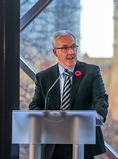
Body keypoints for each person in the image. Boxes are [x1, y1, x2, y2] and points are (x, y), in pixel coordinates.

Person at [29, 30, 109, 159]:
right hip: (53, 143)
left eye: (73, 47)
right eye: (65, 48)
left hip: (81, 140)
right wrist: (47, 118)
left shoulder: (91, 72)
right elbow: (34, 105)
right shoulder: (43, 77)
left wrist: (99, 114)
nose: (71, 52)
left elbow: (100, 97)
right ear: (55, 52)